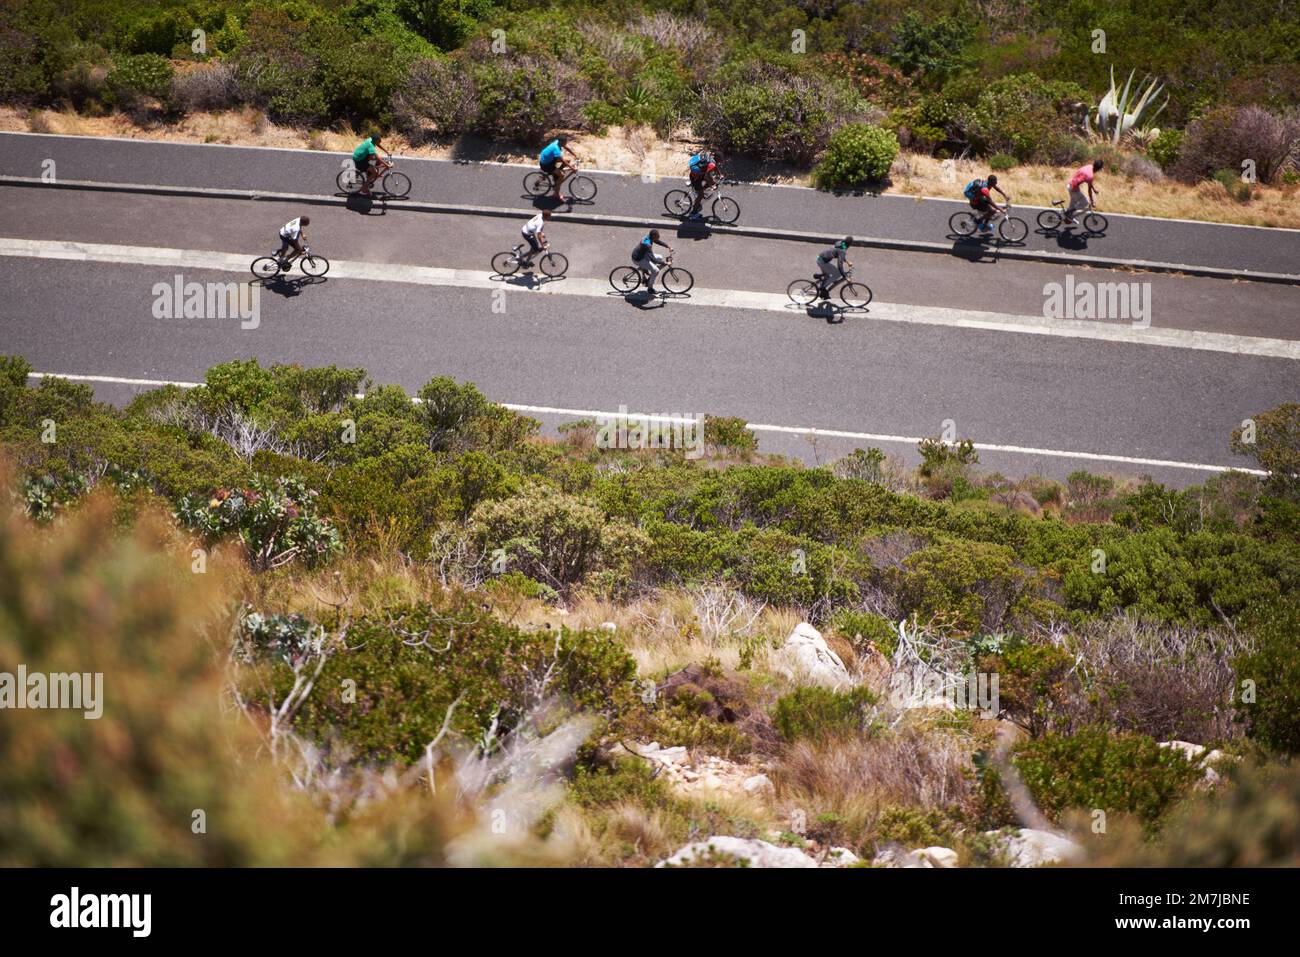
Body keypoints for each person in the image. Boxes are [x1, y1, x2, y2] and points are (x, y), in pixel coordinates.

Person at [538, 135, 578, 202]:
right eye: (565, 142)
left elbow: (566, 147)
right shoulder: (556, 148)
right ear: (561, 142)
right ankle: (556, 194)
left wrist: (574, 154)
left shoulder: (558, 141)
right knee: (562, 175)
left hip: (548, 159)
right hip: (546, 164)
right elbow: (561, 160)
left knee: (567, 161)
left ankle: (555, 175)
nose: (566, 143)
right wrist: (572, 168)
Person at [1065, 158, 1103, 224]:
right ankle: (1069, 213)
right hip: (1073, 188)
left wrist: (1093, 189)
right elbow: (1089, 190)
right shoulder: (1090, 175)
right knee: (1085, 203)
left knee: (1073, 203)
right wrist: (1091, 201)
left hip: (1071, 183)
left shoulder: (1089, 166)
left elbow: (1090, 183)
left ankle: (1069, 218)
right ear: (1098, 169)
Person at [687, 149, 720, 219]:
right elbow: (707, 176)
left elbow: (715, 167)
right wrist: (713, 184)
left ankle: (701, 191)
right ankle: (693, 213)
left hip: (699, 174)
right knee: (701, 195)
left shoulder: (711, 158)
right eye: (721, 159)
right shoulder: (712, 163)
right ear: (718, 158)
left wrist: (720, 174)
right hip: (695, 177)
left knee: (710, 182)